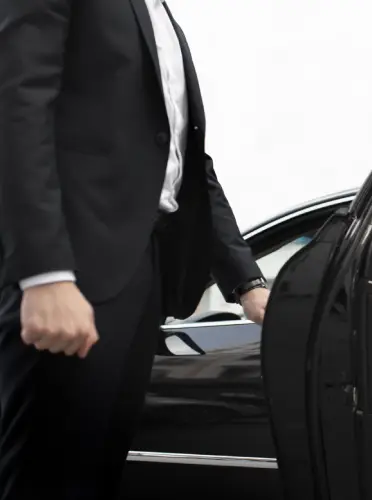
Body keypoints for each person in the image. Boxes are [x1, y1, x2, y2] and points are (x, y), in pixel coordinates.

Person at [0, 1, 270, 498]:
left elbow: (189, 167)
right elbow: (14, 106)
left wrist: (248, 283)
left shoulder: (160, 14)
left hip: (143, 274)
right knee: (43, 478)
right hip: (73, 273)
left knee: (94, 475)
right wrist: (44, 273)